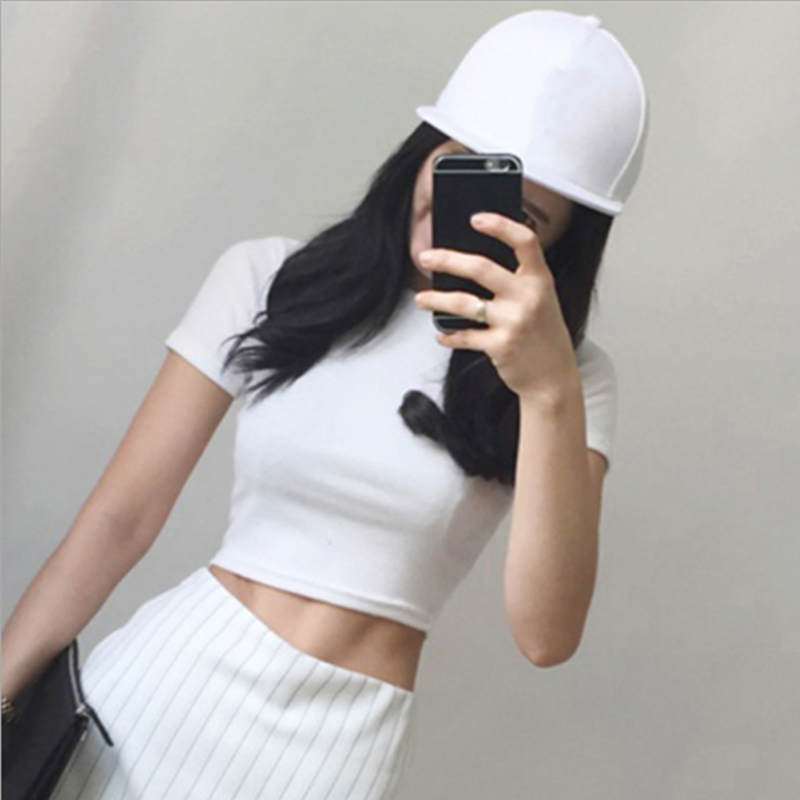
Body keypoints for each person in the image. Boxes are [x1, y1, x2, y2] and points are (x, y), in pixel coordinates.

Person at [1, 9, 649, 799]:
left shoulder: (574, 381)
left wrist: (546, 390)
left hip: (338, 753)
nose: (478, 220)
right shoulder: (269, 278)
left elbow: (547, 635)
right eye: (462, 171)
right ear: (423, 151)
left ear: (558, 246)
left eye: (525, 217)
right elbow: (119, 520)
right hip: (157, 693)